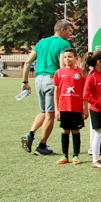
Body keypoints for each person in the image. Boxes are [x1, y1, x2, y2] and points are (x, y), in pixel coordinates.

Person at [20, 19, 74, 156]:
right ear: (62, 30)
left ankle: (31, 133)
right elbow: (62, 65)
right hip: (51, 79)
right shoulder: (63, 44)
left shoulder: (41, 42)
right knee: (50, 114)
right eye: (69, 31)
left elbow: (27, 62)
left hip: (38, 79)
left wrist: (24, 82)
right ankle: (41, 145)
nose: (70, 34)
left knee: (44, 111)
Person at [52, 48, 86, 165]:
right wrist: (56, 109)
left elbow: (84, 92)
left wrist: (85, 108)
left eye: (70, 56)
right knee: (65, 131)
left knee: (76, 131)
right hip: (63, 107)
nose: (67, 59)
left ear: (76, 58)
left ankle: (76, 155)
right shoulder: (59, 73)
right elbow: (56, 92)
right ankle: (64, 155)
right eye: (65, 57)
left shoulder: (81, 73)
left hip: (76, 108)